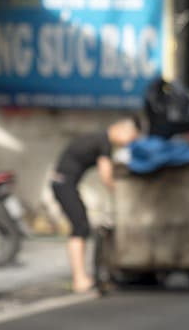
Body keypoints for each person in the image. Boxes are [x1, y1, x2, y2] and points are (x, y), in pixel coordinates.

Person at [50, 117, 140, 293]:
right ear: (122, 130)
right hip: (63, 184)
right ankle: (79, 279)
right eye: (132, 137)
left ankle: (81, 277)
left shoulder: (98, 138)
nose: (130, 142)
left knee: (81, 228)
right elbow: (106, 174)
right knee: (80, 228)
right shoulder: (103, 142)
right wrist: (121, 194)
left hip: (65, 183)